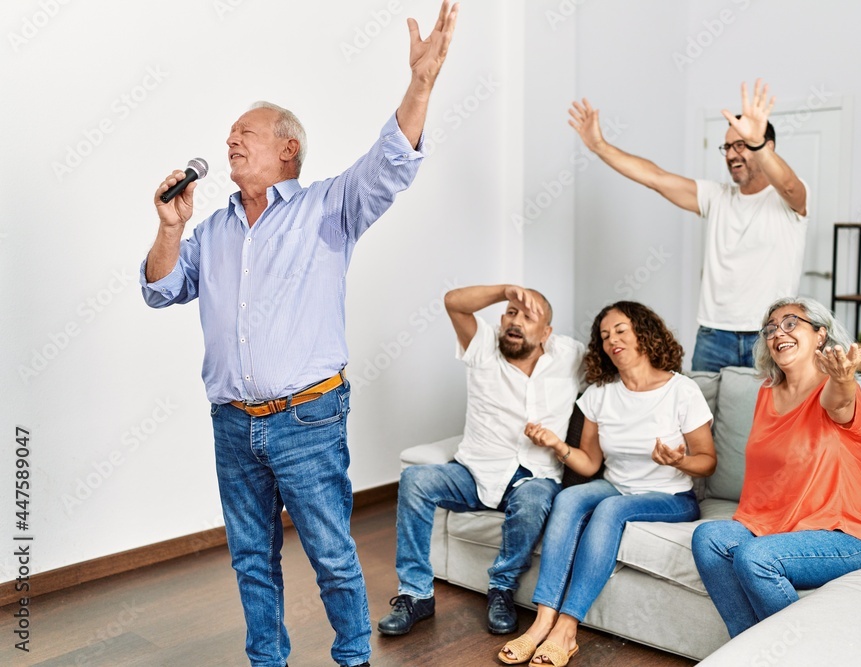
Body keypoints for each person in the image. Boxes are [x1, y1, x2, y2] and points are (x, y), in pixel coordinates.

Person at [138, 4, 459, 666]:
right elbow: (160, 288)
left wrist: (421, 82)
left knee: (332, 555)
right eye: (227, 134)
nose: (230, 141)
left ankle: (353, 658)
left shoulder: (328, 207)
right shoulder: (214, 231)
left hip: (307, 418)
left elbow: (390, 162)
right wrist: (169, 225)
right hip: (233, 423)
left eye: (244, 132)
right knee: (252, 563)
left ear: (287, 148)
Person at [499, 301, 716, 666]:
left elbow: (707, 463)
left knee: (609, 509)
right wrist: (557, 445)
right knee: (569, 499)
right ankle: (541, 623)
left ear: (644, 334)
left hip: (670, 495)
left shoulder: (682, 390)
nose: (611, 340)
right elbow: (590, 464)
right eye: (604, 336)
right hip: (616, 484)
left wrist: (680, 460)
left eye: (620, 331)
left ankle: (566, 630)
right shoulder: (600, 394)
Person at [377, 285, 586, 638]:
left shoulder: (570, 355)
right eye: (510, 313)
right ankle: (415, 595)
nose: (515, 321)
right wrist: (506, 290)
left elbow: (622, 365)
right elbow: (453, 303)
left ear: (547, 332)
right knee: (416, 480)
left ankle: (501, 589)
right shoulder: (483, 347)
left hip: (534, 476)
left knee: (534, 499)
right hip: (474, 473)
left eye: (527, 315)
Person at [568, 79, 810, 372]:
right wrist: (599, 146)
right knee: (700, 417)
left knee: (765, 416)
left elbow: (787, 183)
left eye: (741, 145)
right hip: (713, 335)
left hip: (769, 334)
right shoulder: (716, 197)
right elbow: (655, 178)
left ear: (766, 146)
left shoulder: (789, 200)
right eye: (728, 147)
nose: (732, 154)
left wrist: (756, 143)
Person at [691, 297, 861, 639]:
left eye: (790, 323)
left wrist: (844, 377)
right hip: (785, 528)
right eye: (770, 328)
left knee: (756, 558)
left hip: (852, 533)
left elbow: (839, 401)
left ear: (820, 335)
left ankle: (799, 653)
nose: (778, 333)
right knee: (709, 538)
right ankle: (749, 652)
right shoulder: (767, 392)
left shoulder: (837, 388)